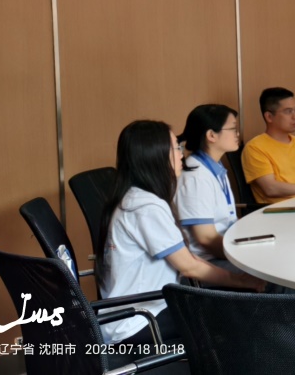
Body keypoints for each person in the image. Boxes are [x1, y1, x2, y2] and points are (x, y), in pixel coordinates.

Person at [98, 120, 265, 344]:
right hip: (139, 321)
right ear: (155, 155)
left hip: (140, 311)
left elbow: (188, 261)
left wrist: (240, 281)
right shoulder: (146, 207)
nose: (181, 155)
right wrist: (242, 282)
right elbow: (189, 266)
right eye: (176, 147)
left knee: (235, 309)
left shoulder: (136, 197)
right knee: (242, 316)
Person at [175, 104, 241, 267]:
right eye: (233, 129)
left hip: (226, 250)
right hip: (209, 262)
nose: (238, 134)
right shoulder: (196, 177)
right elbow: (206, 239)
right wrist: (245, 257)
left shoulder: (214, 167)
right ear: (211, 135)